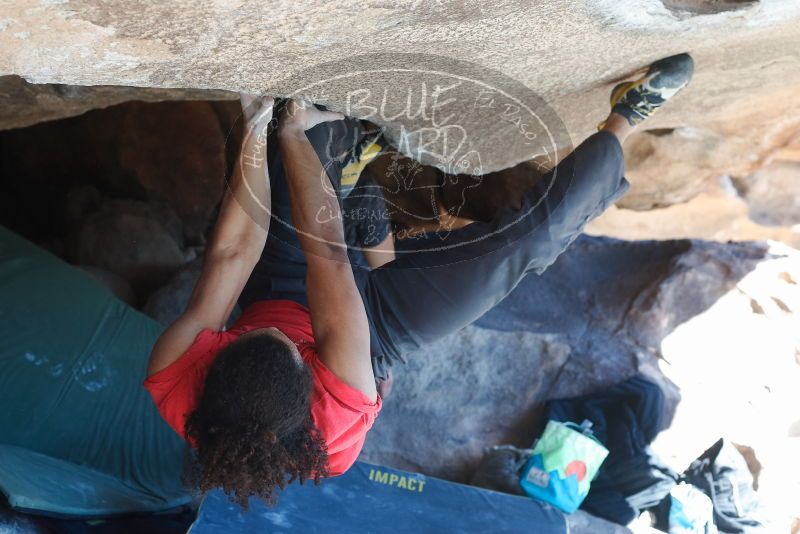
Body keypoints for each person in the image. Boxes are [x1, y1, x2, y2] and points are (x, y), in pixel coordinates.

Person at [144, 53, 694, 507]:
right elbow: (329, 261)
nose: (288, 335)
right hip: (374, 337)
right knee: (519, 249)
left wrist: (258, 130)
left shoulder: (176, 375)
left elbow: (232, 255)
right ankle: (624, 118)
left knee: (308, 124)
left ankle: (354, 177)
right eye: (291, 348)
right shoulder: (337, 402)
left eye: (261, 335)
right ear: (307, 378)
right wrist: (287, 136)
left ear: (218, 355)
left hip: (275, 287)